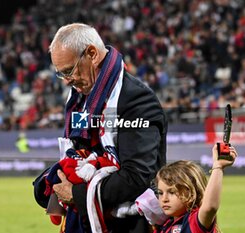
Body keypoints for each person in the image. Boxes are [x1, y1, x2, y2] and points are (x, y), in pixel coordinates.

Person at [41, 23, 167, 233]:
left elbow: (137, 176)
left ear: (91, 53)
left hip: (128, 225)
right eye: (61, 74)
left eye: (69, 71)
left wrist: (77, 194)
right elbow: (81, 152)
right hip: (87, 220)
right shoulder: (81, 101)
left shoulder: (136, 101)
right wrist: (51, 181)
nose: (67, 81)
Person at [155, 144, 238, 233]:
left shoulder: (193, 221)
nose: (164, 199)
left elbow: (209, 208)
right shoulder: (165, 225)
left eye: (171, 192)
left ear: (191, 192)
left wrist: (218, 166)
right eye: (160, 193)